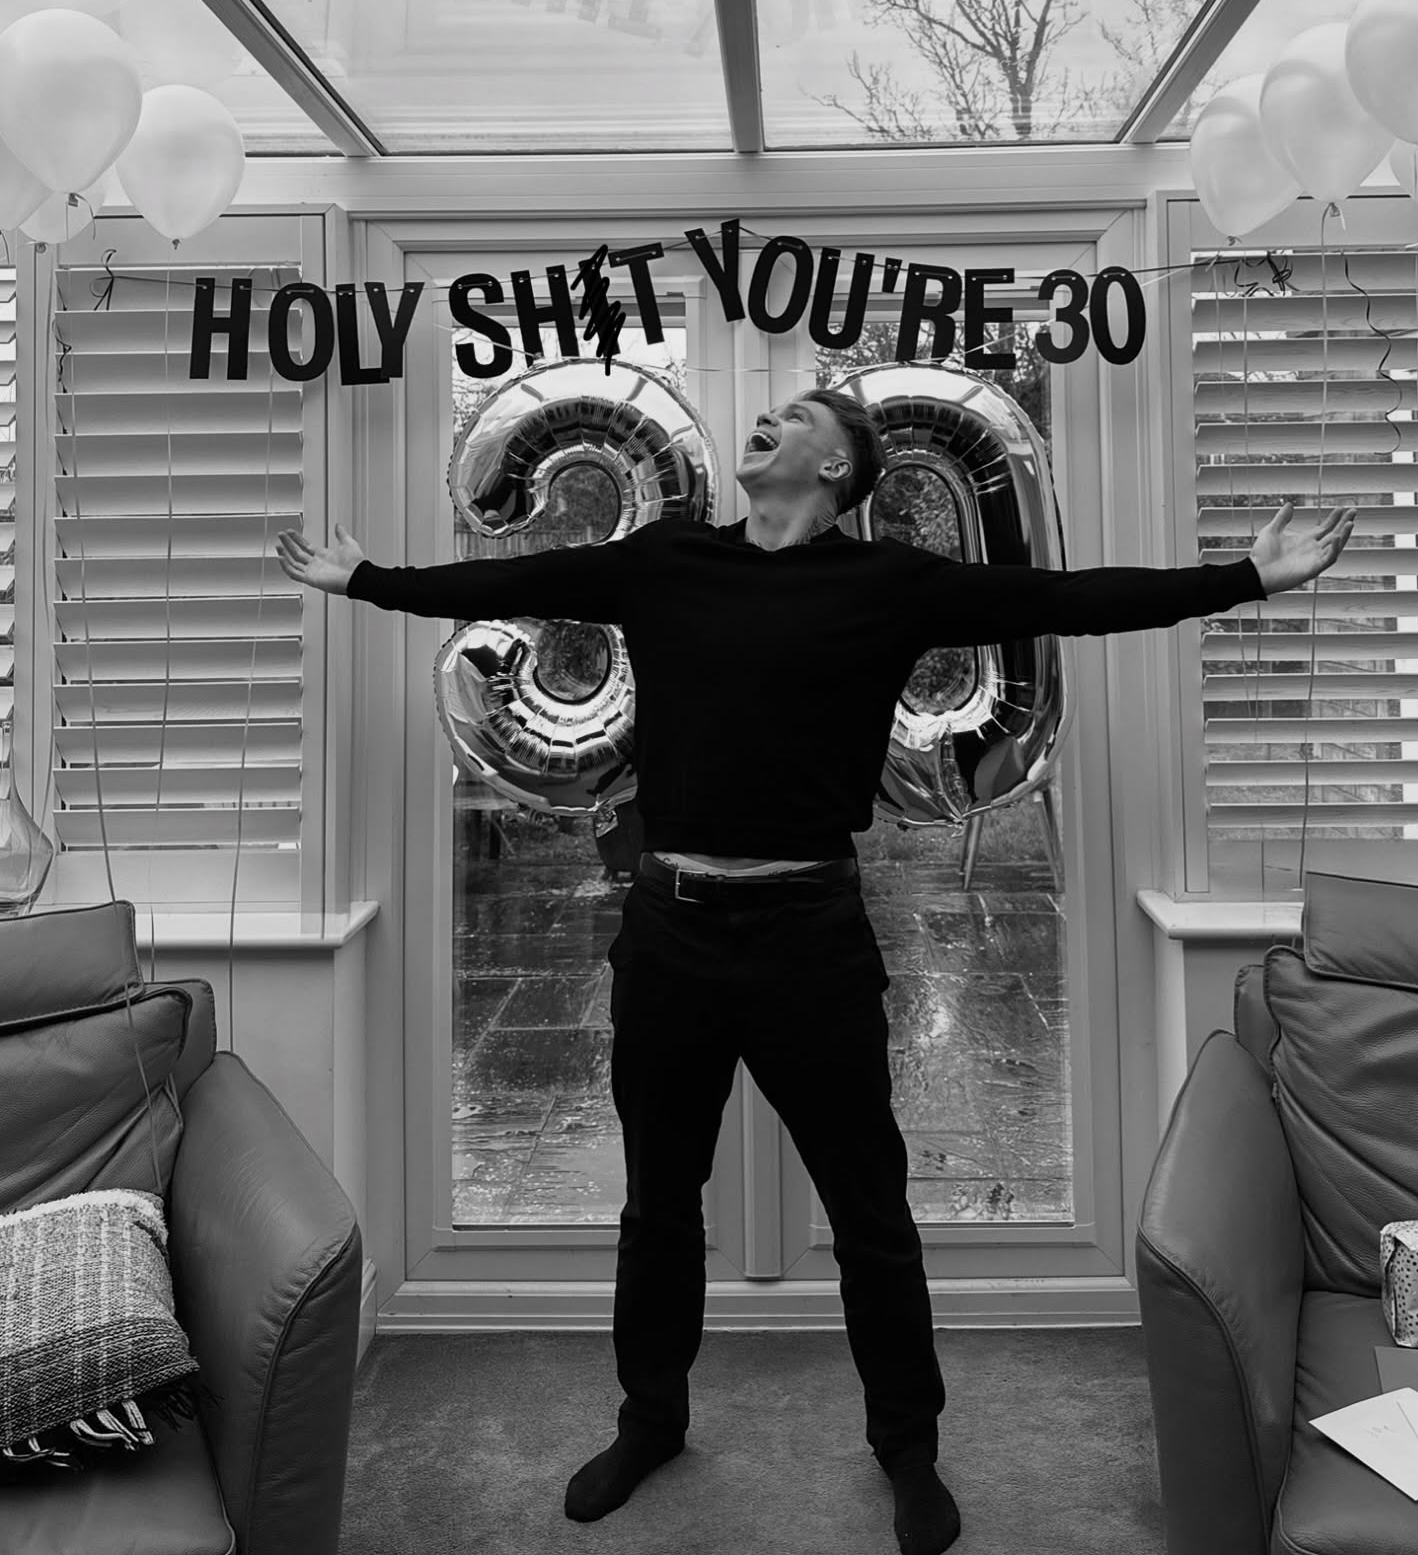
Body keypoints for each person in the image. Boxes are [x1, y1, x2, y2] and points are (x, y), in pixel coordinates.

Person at [275, 387, 1355, 1555]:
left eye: (796, 417)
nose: (767, 421)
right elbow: (513, 582)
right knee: (656, 1207)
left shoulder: (888, 582)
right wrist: (366, 578)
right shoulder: (668, 560)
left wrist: (1246, 577)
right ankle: (650, 1422)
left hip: (810, 936)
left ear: (839, 467)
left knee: (870, 1212)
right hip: (672, 932)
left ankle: (908, 1449)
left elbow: (1067, 600)